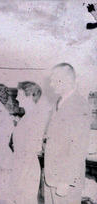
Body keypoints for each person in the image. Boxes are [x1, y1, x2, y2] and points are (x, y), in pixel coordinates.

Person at [44, 63, 91, 204]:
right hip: (52, 177)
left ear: (68, 80)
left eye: (55, 80)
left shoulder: (79, 105)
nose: (51, 85)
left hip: (65, 180)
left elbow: (79, 147)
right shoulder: (59, 103)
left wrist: (66, 180)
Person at [10, 81, 47, 204]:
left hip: (27, 169)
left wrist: (21, 177)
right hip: (21, 166)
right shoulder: (27, 116)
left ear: (30, 96)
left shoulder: (35, 117)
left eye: (20, 94)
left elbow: (30, 150)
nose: (16, 98)